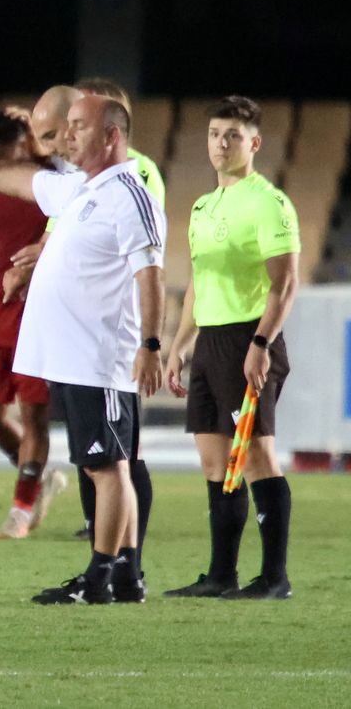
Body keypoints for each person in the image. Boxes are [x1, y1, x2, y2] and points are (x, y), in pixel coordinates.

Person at [0, 94, 166, 605]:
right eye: (65, 128)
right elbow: (27, 181)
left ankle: (99, 577)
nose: (69, 137)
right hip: (76, 357)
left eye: (79, 127)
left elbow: (150, 274)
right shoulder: (83, 189)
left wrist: (150, 345)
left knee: (107, 468)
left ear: (111, 135)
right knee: (105, 466)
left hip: (102, 356)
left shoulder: (128, 195)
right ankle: (126, 576)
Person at [164, 96, 298, 600]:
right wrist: (180, 345)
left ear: (254, 143)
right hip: (211, 342)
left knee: (257, 455)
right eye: (216, 134)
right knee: (214, 463)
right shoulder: (203, 205)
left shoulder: (269, 202)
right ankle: (222, 574)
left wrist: (261, 344)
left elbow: (285, 284)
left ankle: (275, 578)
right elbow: (199, 282)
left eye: (233, 135)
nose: (222, 143)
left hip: (250, 338)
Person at [0, 112, 68, 540]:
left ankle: (21, 509)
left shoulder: (52, 181)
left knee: (33, 416)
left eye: (2, 159)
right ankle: (39, 481)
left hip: (37, 318)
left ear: (24, 146)